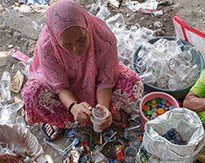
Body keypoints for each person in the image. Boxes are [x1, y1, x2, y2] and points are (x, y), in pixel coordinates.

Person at [21, 0, 143, 141]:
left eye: (81, 40)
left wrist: (102, 109)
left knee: (133, 82)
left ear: (86, 25)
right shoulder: (47, 46)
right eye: (67, 45)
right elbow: (59, 85)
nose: (76, 49)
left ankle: (107, 112)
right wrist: (73, 106)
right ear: (55, 39)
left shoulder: (103, 36)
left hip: (95, 82)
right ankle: (60, 120)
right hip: (64, 87)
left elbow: (106, 79)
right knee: (32, 94)